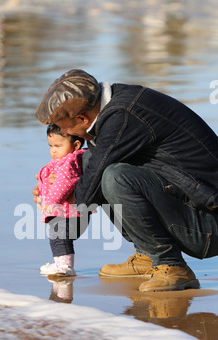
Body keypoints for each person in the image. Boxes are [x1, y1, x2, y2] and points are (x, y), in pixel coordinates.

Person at [33, 69, 218, 292]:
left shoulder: (122, 116)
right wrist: (52, 184)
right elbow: (89, 171)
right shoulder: (113, 104)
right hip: (194, 208)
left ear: (82, 118)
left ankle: (171, 265)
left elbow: (87, 194)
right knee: (91, 164)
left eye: (66, 129)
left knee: (113, 176)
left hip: (208, 224)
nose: (66, 134)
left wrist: (57, 199)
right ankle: (148, 254)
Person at [37, 123, 86, 277]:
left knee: (60, 236)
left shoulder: (69, 162)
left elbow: (65, 182)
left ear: (76, 144)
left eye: (58, 145)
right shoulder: (61, 162)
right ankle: (59, 264)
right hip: (62, 210)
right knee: (56, 237)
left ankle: (65, 266)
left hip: (68, 211)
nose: (53, 150)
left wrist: (50, 202)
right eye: (50, 146)